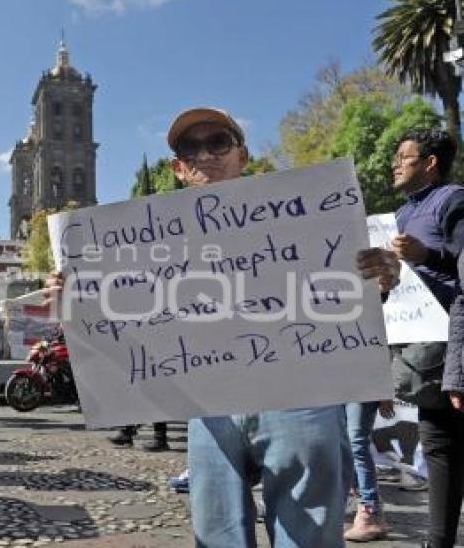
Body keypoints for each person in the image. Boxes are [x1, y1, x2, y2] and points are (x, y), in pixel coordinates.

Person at [45, 107, 401, 547]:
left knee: (308, 538)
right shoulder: (146, 246)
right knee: (217, 536)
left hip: (300, 399)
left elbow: (342, 297)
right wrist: (75, 304)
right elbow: (132, 329)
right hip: (210, 406)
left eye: (218, 143)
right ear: (177, 168)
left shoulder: (305, 216)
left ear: (243, 154)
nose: (204, 155)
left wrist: (379, 279)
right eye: (189, 148)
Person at [388, 128, 464, 548]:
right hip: (424, 356)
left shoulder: (453, 201)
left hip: (454, 350)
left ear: (430, 162)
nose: (395, 163)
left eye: (404, 156)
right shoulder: (399, 216)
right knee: (438, 447)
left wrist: (427, 255)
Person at [343, 400, 395, 541]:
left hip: (362, 388)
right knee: (343, 443)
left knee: (357, 444)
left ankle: (370, 512)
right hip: (334, 387)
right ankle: (366, 509)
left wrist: (384, 394)